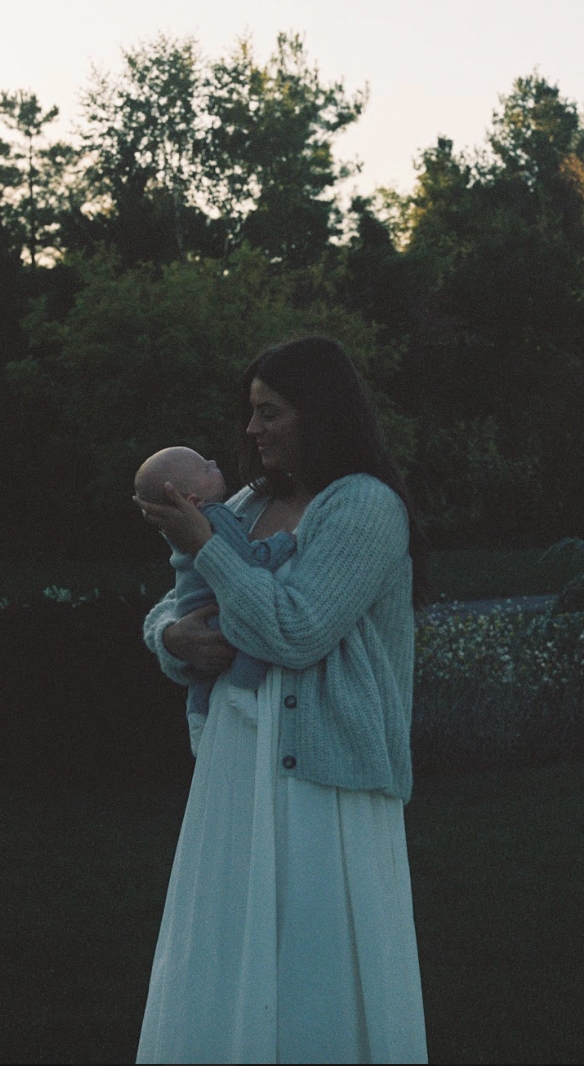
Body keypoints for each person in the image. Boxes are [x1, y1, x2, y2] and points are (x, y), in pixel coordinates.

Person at [134, 335, 430, 1065]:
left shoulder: (364, 507)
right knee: (228, 945)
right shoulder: (249, 503)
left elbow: (297, 631)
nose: (251, 428)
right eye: (251, 411)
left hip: (327, 776)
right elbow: (174, 602)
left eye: (270, 412)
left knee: (317, 960)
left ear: (319, 413)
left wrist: (207, 546)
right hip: (236, 765)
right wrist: (173, 638)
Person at [133, 446, 297, 753]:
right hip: (215, 613)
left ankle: (197, 714)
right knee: (252, 630)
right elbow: (253, 560)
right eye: (205, 469)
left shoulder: (176, 530)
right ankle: (242, 688)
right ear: (192, 501)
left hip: (190, 609)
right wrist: (284, 541)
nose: (214, 462)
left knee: (204, 672)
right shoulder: (218, 514)